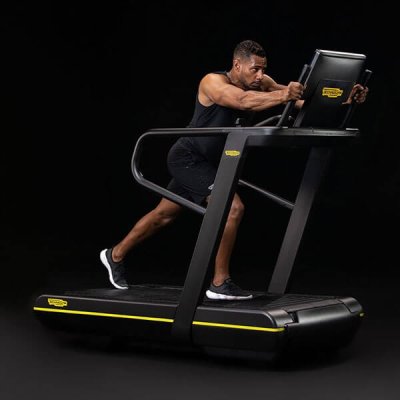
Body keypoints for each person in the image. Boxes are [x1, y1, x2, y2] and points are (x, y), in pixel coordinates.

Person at [100, 39, 368, 300]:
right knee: (231, 208)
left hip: (215, 162)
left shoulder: (261, 82)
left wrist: (346, 100)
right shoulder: (212, 82)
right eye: (255, 69)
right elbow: (242, 101)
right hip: (188, 158)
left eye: (263, 69)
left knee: (163, 216)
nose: (260, 75)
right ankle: (219, 283)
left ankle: (115, 255)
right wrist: (283, 94)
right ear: (237, 65)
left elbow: (300, 102)